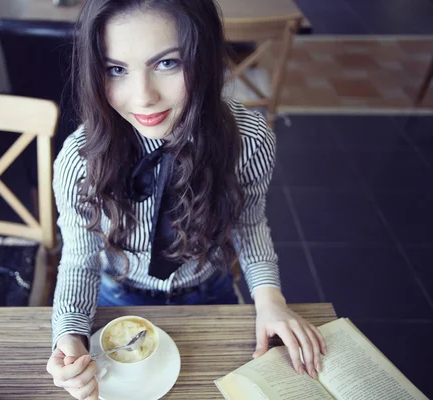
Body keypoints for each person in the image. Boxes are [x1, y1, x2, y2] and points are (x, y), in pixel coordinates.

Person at [46, 1, 327, 399]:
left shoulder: (248, 140)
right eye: (116, 69)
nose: (143, 97)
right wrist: (69, 334)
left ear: (205, 56)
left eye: (167, 64)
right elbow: (79, 257)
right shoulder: (80, 158)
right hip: (117, 301)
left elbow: (250, 224)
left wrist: (271, 300)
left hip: (210, 294)